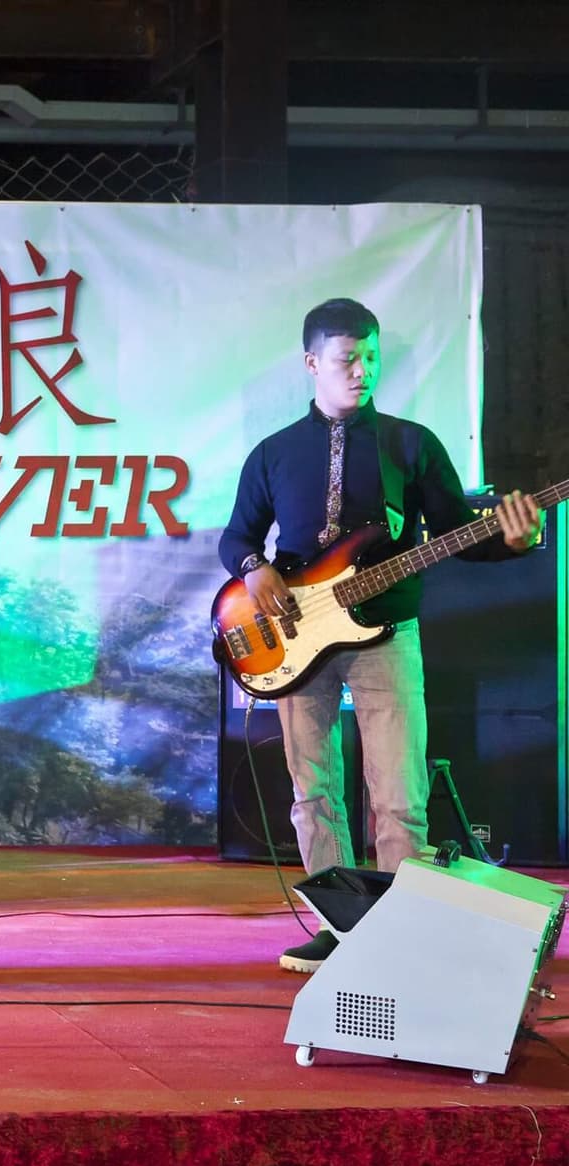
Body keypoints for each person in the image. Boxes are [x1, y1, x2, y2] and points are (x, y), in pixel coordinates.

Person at [219, 297, 540, 974]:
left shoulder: (410, 443)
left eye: (370, 357)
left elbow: (462, 535)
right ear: (312, 364)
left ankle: (404, 934)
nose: (361, 371)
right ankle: (338, 929)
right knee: (314, 795)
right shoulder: (274, 453)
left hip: (387, 634)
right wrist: (253, 572)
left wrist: (515, 541)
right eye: (346, 359)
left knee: (398, 794)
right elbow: (237, 537)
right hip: (297, 642)